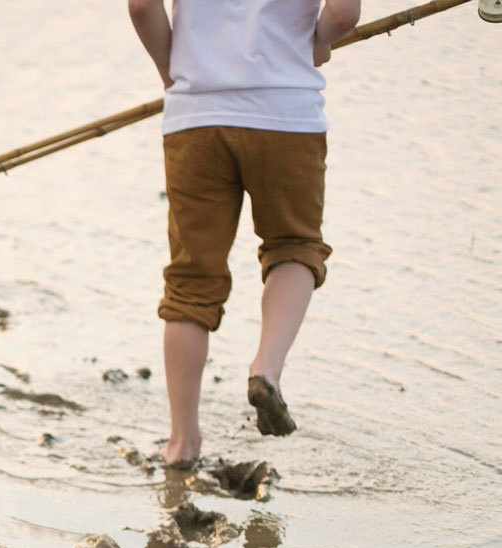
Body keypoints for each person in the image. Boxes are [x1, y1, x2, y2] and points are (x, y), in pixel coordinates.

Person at [127, 0, 359, 465]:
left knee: (191, 282)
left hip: (195, 116)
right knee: (294, 246)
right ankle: (266, 369)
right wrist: (317, 44)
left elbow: (142, 6)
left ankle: (182, 444)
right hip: (286, 112)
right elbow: (342, 14)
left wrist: (172, 72)